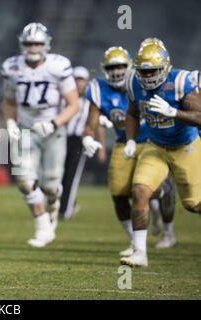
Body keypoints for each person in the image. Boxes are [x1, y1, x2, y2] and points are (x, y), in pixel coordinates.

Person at [82, 46, 176, 258]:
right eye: (112, 67)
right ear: (104, 69)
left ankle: (166, 226)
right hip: (124, 143)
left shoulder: (141, 82)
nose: (116, 72)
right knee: (118, 194)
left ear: (130, 67)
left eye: (120, 66)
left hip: (153, 141)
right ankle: (135, 242)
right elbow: (90, 122)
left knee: (142, 190)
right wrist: (87, 137)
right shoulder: (98, 88)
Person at [120, 38, 201, 267]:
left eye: (152, 71)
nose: (147, 76)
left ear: (165, 66)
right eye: (143, 71)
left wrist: (174, 113)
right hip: (155, 146)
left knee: (194, 204)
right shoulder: (133, 83)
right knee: (140, 191)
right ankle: (140, 252)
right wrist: (131, 141)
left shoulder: (180, 82)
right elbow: (133, 113)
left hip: (187, 147)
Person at [1, 22, 79, 247]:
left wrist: (54, 123)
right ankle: (43, 227)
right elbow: (8, 101)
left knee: (51, 186)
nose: (33, 48)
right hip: (26, 129)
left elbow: (73, 105)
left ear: (45, 45)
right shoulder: (12, 67)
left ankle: (53, 206)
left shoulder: (58, 66)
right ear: (22, 44)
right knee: (24, 180)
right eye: (29, 43)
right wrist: (10, 122)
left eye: (37, 43)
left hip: (53, 131)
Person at [59, 66, 107, 220]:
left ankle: (65, 212)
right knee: (58, 175)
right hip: (62, 139)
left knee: (72, 176)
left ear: (86, 82)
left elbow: (97, 124)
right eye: (76, 79)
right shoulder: (64, 98)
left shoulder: (91, 100)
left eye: (81, 80)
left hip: (80, 141)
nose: (78, 83)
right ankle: (69, 205)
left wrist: (102, 147)